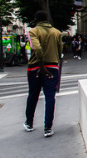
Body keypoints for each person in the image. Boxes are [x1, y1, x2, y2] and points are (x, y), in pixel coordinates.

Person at [24, 10, 63, 138]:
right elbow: (60, 50)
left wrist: (41, 64)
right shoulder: (56, 32)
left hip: (36, 67)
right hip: (52, 66)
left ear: (36, 20)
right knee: (50, 97)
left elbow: (37, 49)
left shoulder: (33, 32)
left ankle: (29, 122)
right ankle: (48, 127)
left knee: (33, 95)